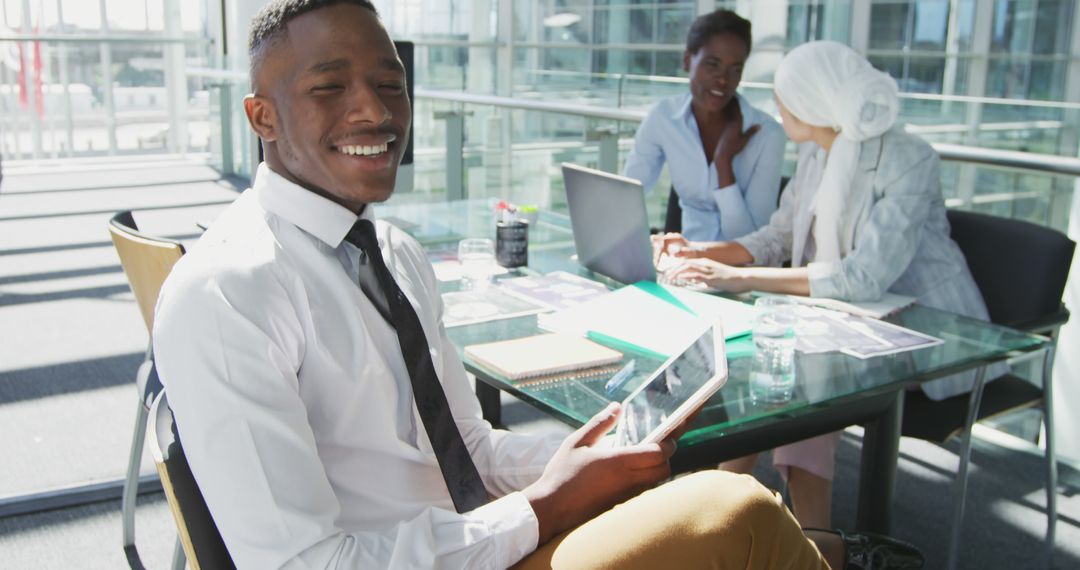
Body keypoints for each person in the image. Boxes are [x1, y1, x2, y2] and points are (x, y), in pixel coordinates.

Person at [153, 2, 923, 568]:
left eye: (390, 84)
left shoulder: (391, 249)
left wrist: (573, 459)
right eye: (330, 87)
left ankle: (830, 553)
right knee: (736, 507)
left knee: (681, 496)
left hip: (471, 536)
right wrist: (546, 504)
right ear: (261, 116)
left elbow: (467, 446)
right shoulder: (228, 291)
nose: (374, 109)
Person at [660, 40, 999, 530]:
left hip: (925, 330)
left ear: (815, 99)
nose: (777, 108)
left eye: (783, 97)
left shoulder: (908, 157)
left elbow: (864, 277)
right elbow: (778, 235)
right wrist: (704, 251)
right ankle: (717, 520)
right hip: (840, 317)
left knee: (794, 391)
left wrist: (738, 276)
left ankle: (813, 546)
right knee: (759, 375)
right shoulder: (819, 154)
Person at [624, 9, 785, 242]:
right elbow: (628, 191)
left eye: (735, 69)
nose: (723, 79)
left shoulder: (767, 134)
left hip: (741, 272)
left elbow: (754, 244)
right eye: (713, 64)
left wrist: (723, 166)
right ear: (688, 60)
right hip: (684, 261)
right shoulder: (664, 118)